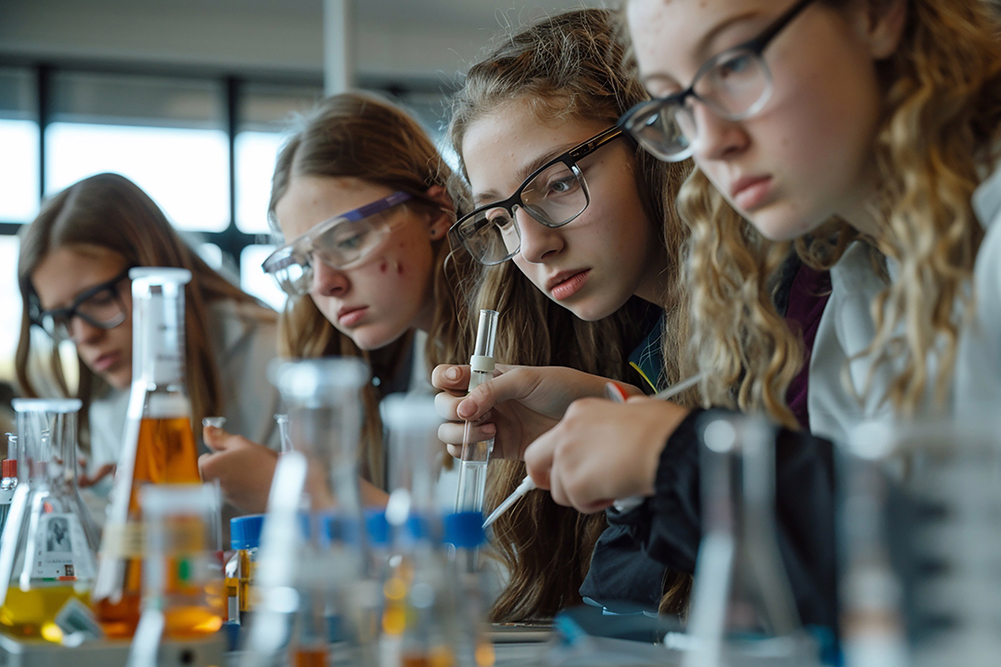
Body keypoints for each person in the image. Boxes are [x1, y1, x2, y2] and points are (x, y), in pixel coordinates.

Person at [512, 0, 1000, 629]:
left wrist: (686, 458)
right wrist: (646, 445)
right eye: (677, 104)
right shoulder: (862, 277)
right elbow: (871, 578)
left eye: (734, 63)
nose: (710, 141)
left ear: (875, 15)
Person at [434, 9, 701, 620]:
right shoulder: (646, 349)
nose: (530, 247)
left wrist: (638, 430)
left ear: (652, 141)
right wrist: (616, 415)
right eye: (500, 218)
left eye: (557, 183)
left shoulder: (781, 315)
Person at [197, 92, 468, 513]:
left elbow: (496, 566)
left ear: (435, 213)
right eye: (304, 261)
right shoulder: (393, 355)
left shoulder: (507, 341)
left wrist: (302, 493)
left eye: (348, 241)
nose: (324, 284)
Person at [17, 172, 281, 517]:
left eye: (98, 298)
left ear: (153, 265)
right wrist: (96, 507)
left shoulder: (276, 354)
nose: (84, 336)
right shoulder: (109, 396)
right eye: (63, 318)